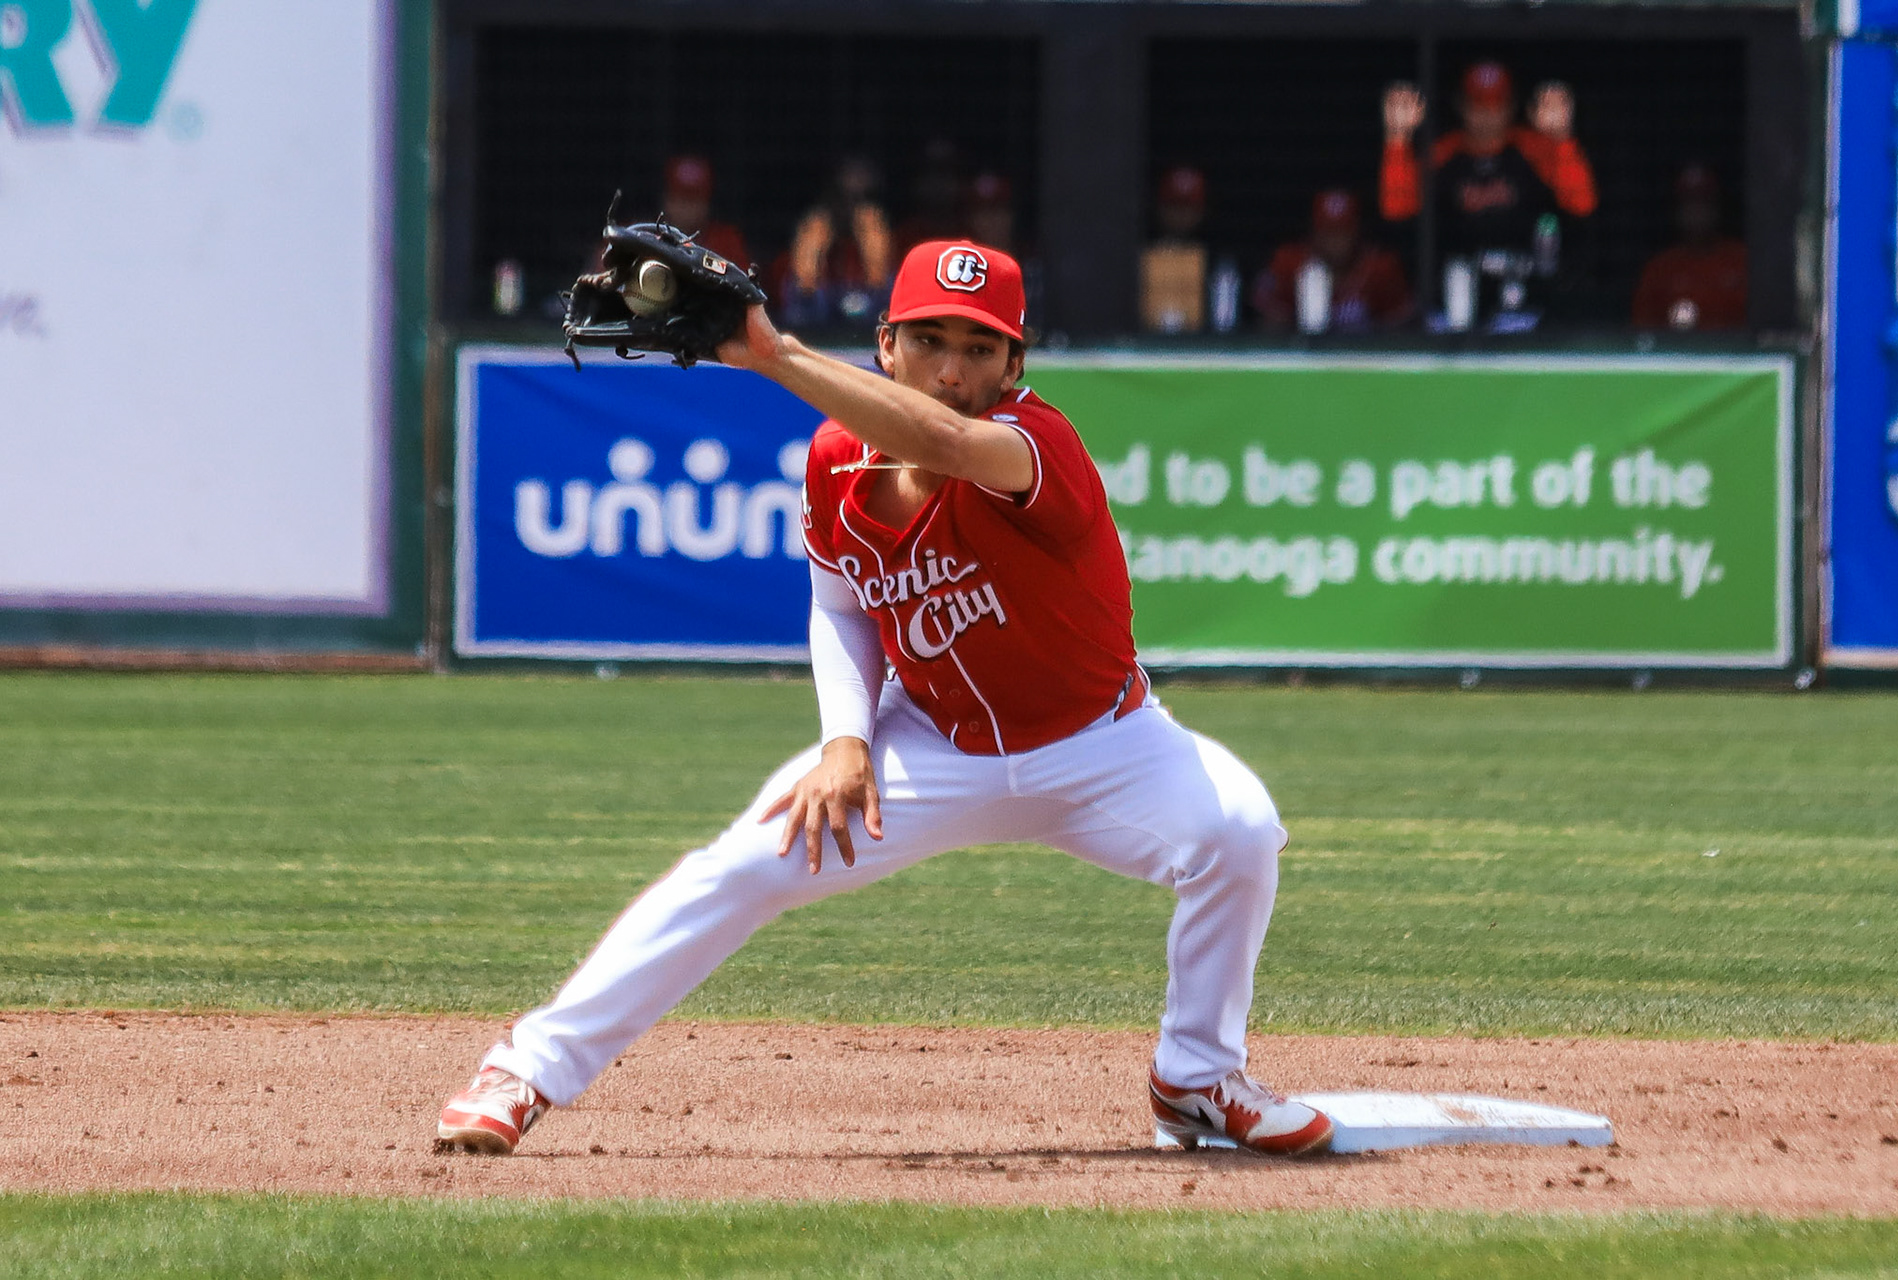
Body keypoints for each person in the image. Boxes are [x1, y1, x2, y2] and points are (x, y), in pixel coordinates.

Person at [436, 238, 1335, 1161]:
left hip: (1101, 744)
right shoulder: (834, 459)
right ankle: (524, 1071)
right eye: (929, 340)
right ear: (884, 344)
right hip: (934, 745)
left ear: (1015, 366)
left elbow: (940, 441)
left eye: (981, 349)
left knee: (1238, 832)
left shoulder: (1038, 447)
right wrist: (844, 740)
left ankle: (1195, 1078)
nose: (952, 371)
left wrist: (773, 354)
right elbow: (839, 607)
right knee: (741, 867)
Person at [1379, 63, 1597, 324]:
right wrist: (1397, 138)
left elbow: (1581, 204)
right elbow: (1397, 210)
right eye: (1479, 105)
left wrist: (1562, 138)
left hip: (1525, 298)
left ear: (1511, 106)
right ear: (1462, 105)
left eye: (1496, 105)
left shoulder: (1534, 148)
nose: (1487, 114)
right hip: (1455, 300)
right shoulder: (1443, 153)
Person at [1253, 188, 1414, 333]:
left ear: (1357, 232)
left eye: (1343, 233)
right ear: (1314, 233)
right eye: (1328, 232)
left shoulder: (1380, 267)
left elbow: (1402, 323)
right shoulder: (1289, 262)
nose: (1335, 242)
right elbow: (1267, 319)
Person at [776, 155, 894, 329]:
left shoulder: (893, 244)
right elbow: (796, 320)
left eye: (862, 199)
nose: (852, 211)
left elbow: (888, 316)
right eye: (842, 197)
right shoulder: (796, 252)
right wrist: (807, 277)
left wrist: (878, 271)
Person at [1631, 163, 1747, 331]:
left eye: (1703, 202)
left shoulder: (1742, 260)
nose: (1697, 211)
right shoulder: (1660, 269)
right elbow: (1641, 334)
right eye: (1690, 203)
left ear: (1716, 207)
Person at [1139, 165, 1212, 333]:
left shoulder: (1219, 260)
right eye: (1173, 206)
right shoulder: (1139, 256)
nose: (1180, 215)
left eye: (1188, 207)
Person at [659, 155, 751, 269]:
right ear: (667, 200)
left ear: (707, 203)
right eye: (681, 199)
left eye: (694, 200)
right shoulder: (648, 236)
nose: (687, 208)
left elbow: (741, 281)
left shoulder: (726, 242)